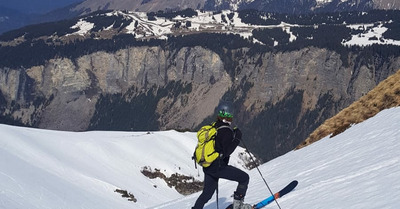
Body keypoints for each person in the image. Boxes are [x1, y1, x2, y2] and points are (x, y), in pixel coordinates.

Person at [192, 102, 252, 209]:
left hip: (208, 167)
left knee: (206, 194)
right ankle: (238, 206)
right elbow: (227, 151)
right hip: (218, 167)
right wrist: (237, 137)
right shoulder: (226, 130)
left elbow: (219, 143)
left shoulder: (214, 126)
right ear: (229, 116)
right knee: (244, 178)